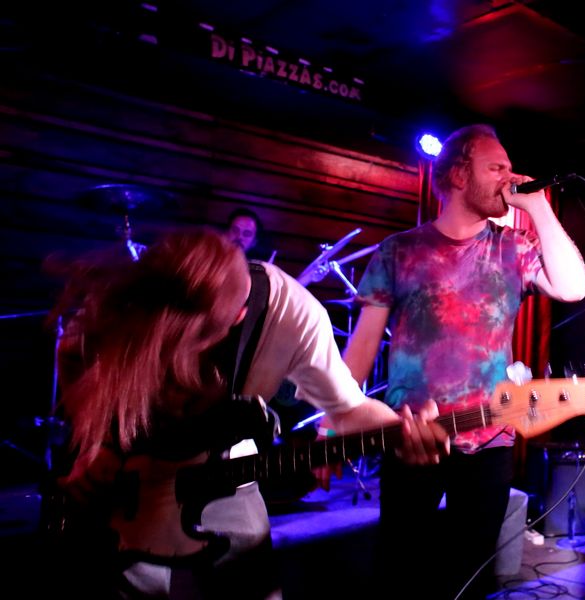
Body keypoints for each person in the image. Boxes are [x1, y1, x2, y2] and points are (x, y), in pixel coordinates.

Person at [45, 228, 447, 599]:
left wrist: (401, 429)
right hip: (125, 474)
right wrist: (94, 445)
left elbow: (348, 408)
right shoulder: (141, 292)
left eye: (198, 339)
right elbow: (72, 351)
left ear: (239, 316)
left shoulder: (293, 316)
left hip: (223, 474)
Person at [341, 124, 585, 599]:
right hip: (412, 436)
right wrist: (339, 416)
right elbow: (361, 350)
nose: (508, 177)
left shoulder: (513, 247)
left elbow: (573, 287)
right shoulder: (399, 250)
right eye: (496, 167)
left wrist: (537, 207)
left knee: (470, 580)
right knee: (398, 572)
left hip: (489, 436)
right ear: (458, 174)